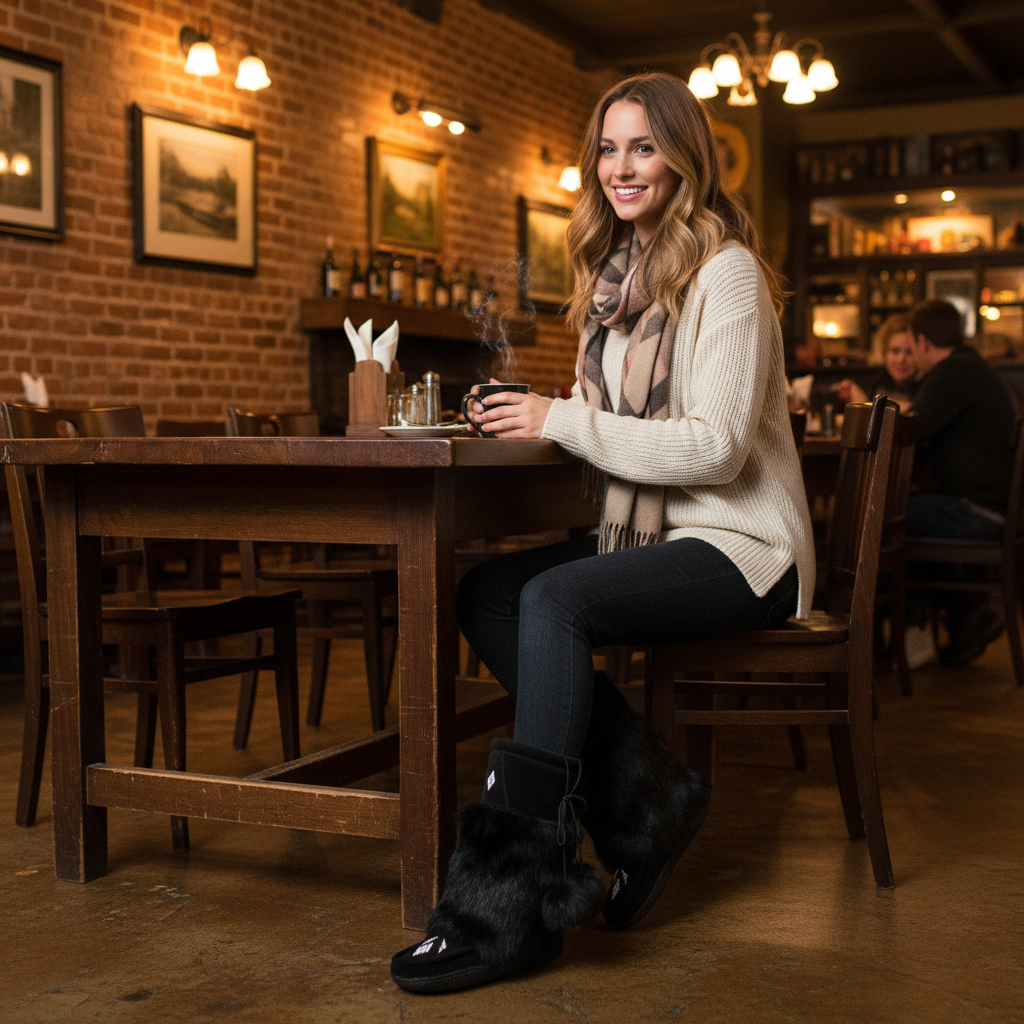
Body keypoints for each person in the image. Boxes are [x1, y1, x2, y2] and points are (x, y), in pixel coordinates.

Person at [390, 72, 816, 994]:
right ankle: (646, 803)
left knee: (550, 599)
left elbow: (711, 447)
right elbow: (612, 416)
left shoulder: (726, 273)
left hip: (745, 546)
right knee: (489, 593)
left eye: (644, 147)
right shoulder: (621, 281)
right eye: (609, 148)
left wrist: (561, 418)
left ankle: (507, 902)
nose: (621, 167)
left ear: (684, 158)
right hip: (656, 537)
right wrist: (537, 411)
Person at [903, 298, 1015, 666]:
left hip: (978, 511)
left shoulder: (953, 372)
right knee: (905, 514)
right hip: (990, 508)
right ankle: (966, 617)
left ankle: (913, 630)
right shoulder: (969, 368)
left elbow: (911, 431)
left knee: (881, 520)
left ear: (922, 342)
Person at [835, 313, 921, 413]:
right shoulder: (876, 381)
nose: (901, 359)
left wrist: (867, 406)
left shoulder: (928, 387)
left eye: (909, 352)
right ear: (885, 353)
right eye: (895, 351)